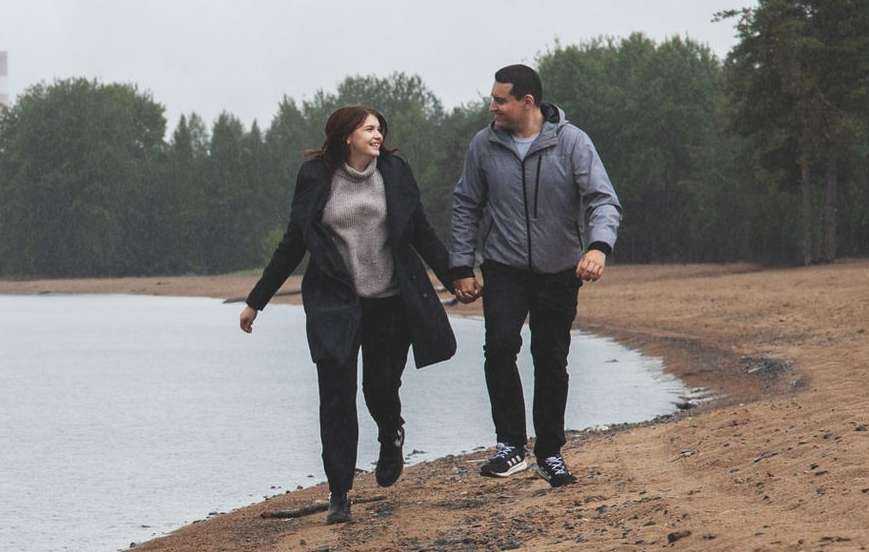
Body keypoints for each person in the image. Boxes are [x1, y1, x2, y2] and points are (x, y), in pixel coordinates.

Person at [240, 105, 470, 524]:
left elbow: (421, 232)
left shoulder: (395, 172)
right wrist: (257, 300)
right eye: (369, 129)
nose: (378, 134)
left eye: (380, 128)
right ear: (347, 136)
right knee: (336, 400)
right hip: (334, 305)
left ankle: (390, 432)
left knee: (380, 388)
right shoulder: (315, 176)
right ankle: (339, 492)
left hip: (390, 302)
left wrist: (456, 276)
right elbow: (295, 241)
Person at [449, 63, 622, 487]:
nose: (492, 107)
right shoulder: (483, 145)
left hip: (559, 270)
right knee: (500, 347)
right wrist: (460, 266)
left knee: (550, 359)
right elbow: (465, 204)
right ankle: (510, 446)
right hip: (503, 267)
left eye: (500, 99)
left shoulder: (572, 142)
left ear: (527, 102)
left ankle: (549, 452)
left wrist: (598, 248)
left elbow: (603, 200)